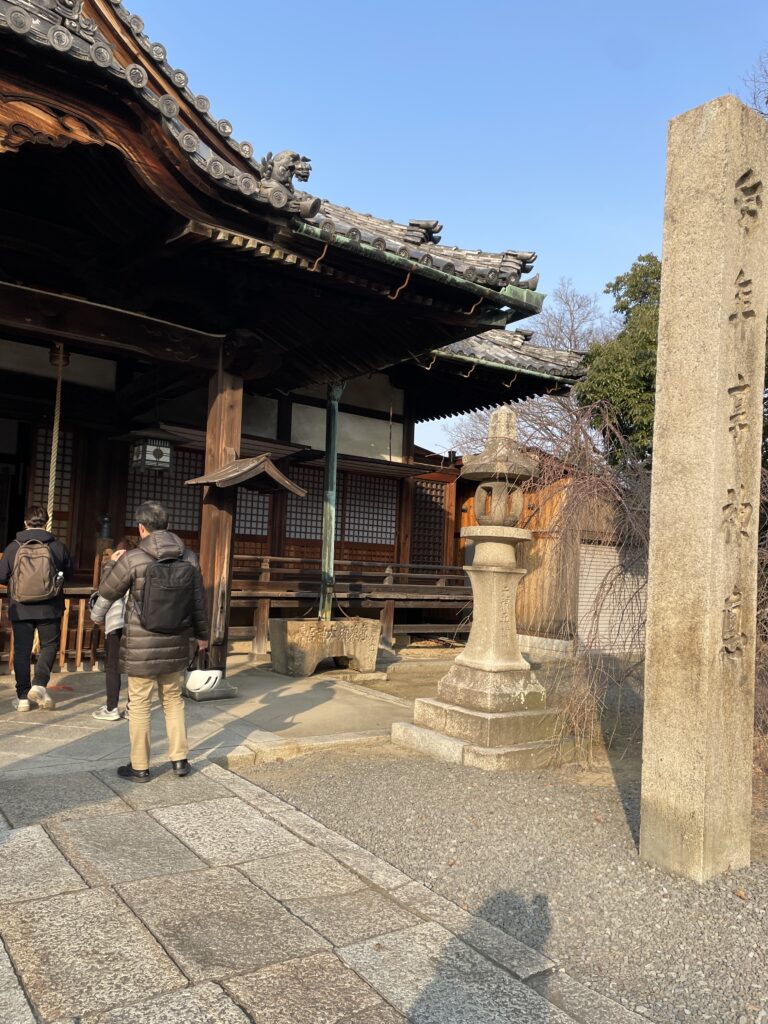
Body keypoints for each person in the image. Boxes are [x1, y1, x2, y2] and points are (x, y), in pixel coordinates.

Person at [93, 501, 208, 781]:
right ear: (167, 525)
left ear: (141, 528)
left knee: (140, 704)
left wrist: (97, 616)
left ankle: (140, 766)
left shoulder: (133, 558)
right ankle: (180, 760)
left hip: (141, 646)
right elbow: (198, 602)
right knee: (173, 700)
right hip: (176, 640)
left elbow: (107, 594)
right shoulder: (189, 557)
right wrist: (202, 636)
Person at [0, 505, 73, 712]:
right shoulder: (57, 546)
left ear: (25, 522)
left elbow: (1, 576)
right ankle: (40, 684)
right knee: (49, 646)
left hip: (20, 606)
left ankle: (23, 697)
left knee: (22, 651)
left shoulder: (13, 546)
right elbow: (70, 573)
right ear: (46, 522)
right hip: (49, 607)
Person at [89, 536, 136, 722]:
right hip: (135, 624)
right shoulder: (139, 567)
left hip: (116, 622)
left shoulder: (115, 569)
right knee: (134, 668)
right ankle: (133, 707)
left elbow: (105, 591)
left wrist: (110, 564)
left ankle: (111, 708)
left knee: (112, 666)